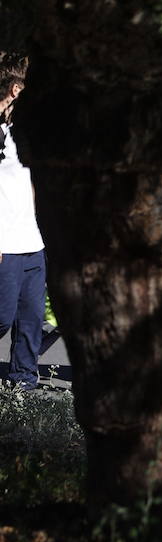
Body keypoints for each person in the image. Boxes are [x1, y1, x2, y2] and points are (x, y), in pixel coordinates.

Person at [0, 54, 46, 389]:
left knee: (31, 322)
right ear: (16, 90)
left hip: (33, 242)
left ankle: (23, 386)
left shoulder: (26, 132)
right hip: (5, 244)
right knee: (1, 318)